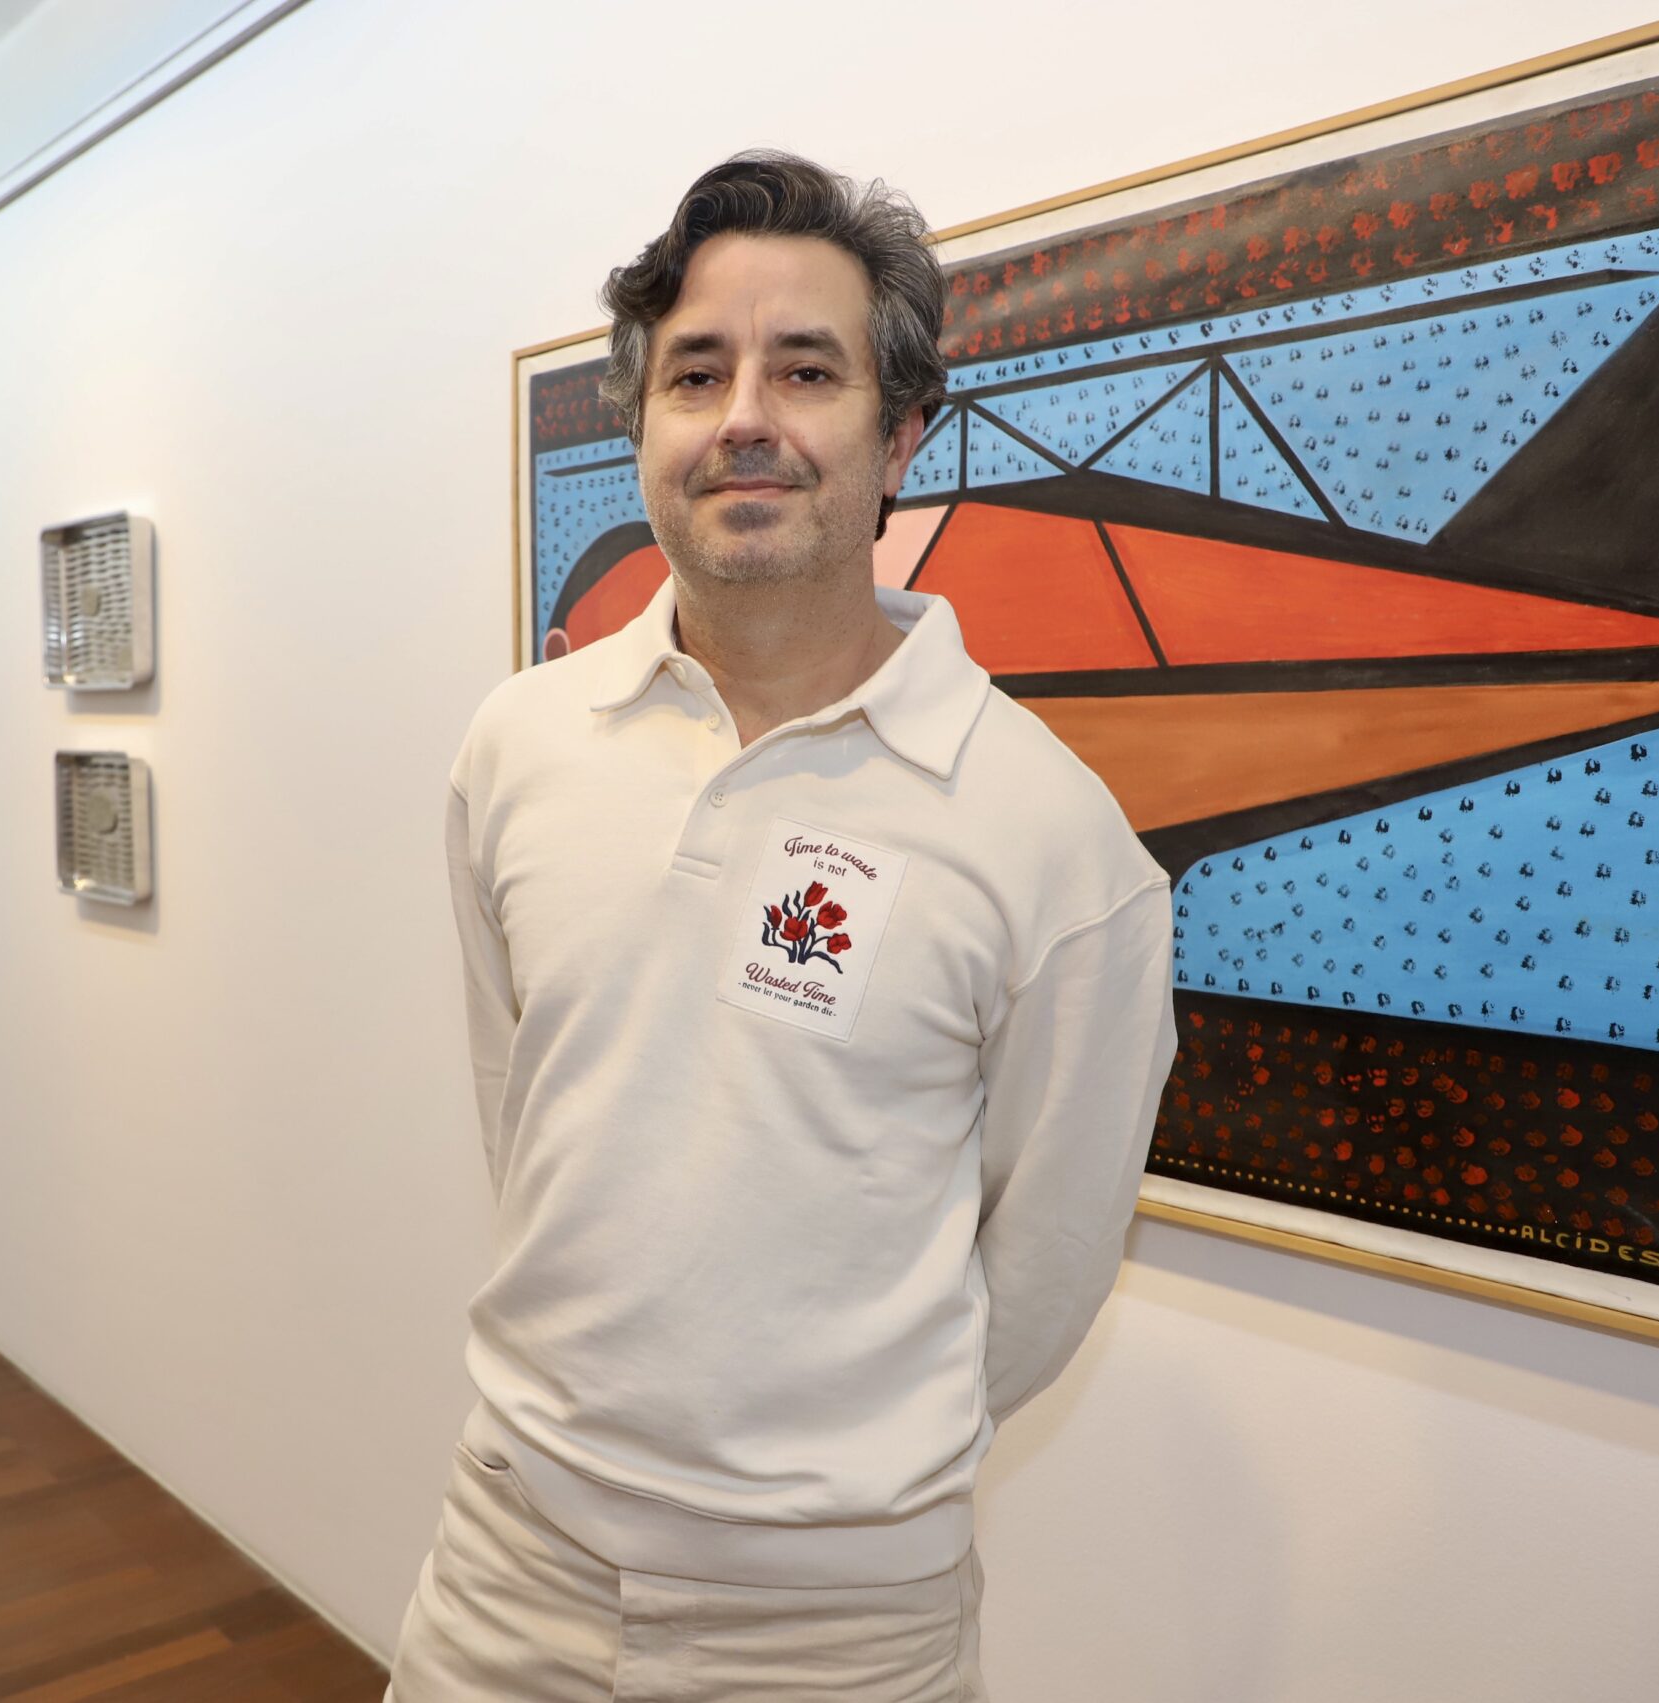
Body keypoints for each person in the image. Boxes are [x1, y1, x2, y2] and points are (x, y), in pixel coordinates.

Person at [385, 150, 1178, 1702]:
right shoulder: (516, 744)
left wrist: (824, 1484)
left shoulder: (1053, 840)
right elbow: (524, 1113)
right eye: (696, 374)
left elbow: (1045, 1263)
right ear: (643, 431)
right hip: (504, 1570)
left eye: (806, 371)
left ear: (900, 440)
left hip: (839, 1638)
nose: (744, 415)